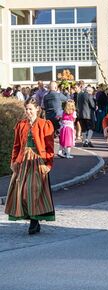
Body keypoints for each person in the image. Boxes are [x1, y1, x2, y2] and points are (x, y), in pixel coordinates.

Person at [5, 98, 55, 234]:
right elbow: (16, 146)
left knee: (34, 190)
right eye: (26, 109)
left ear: (37, 109)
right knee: (23, 191)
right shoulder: (21, 125)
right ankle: (32, 219)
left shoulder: (45, 124)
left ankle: (34, 221)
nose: (28, 112)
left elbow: (50, 147)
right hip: (23, 161)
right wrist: (13, 161)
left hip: (38, 161)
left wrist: (49, 164)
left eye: (30, 109)